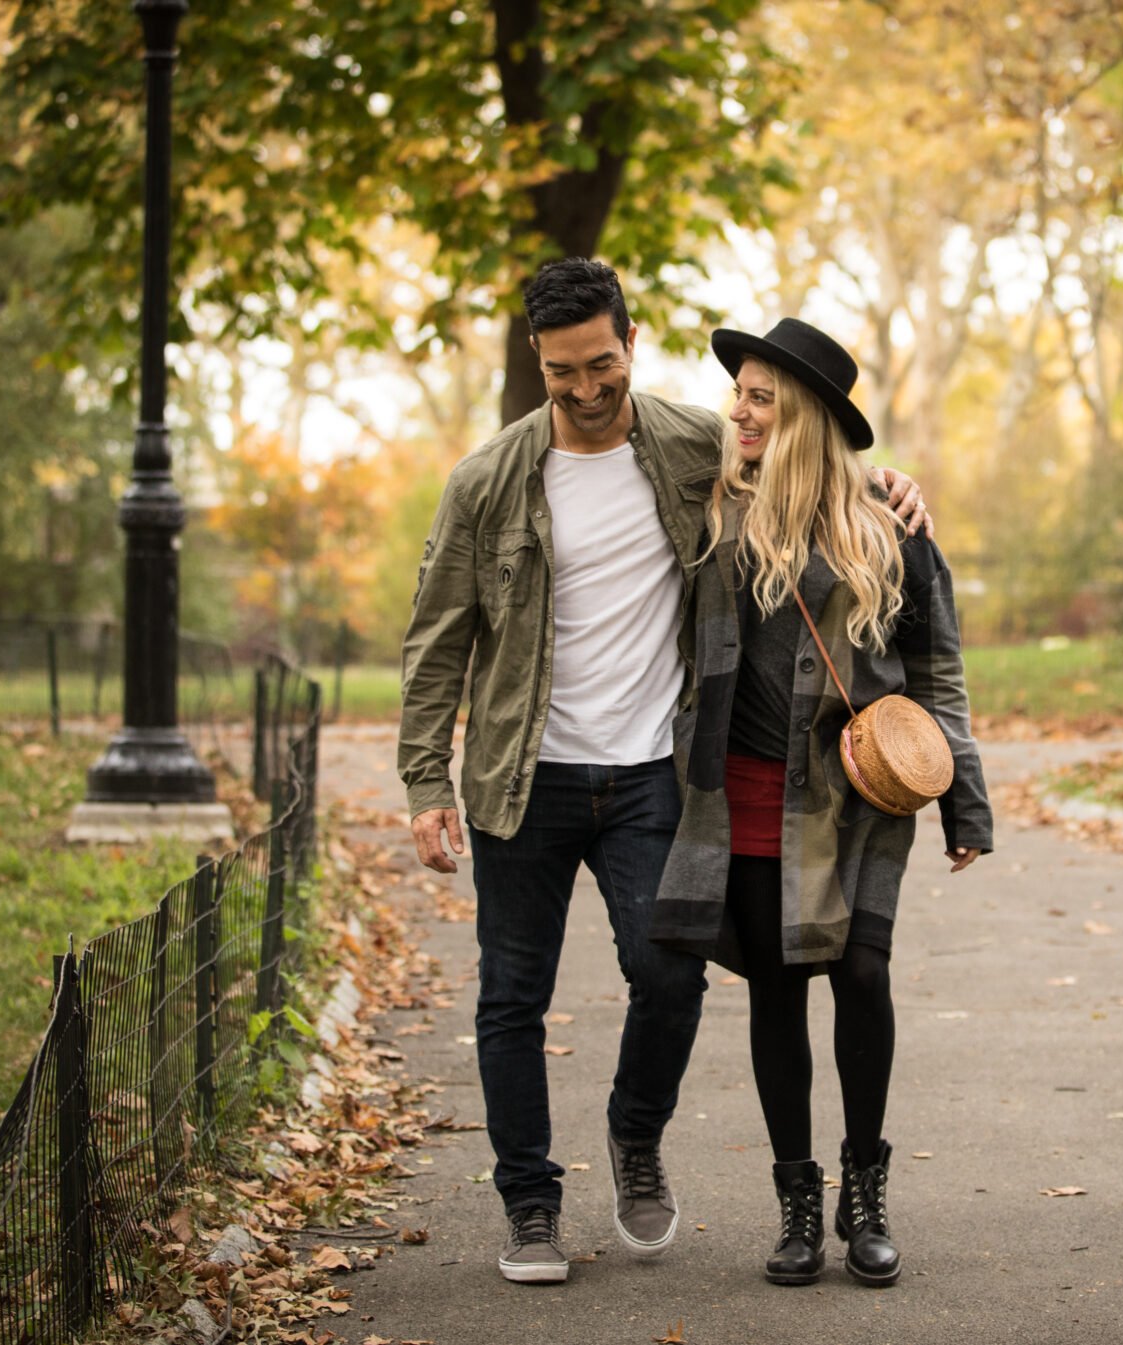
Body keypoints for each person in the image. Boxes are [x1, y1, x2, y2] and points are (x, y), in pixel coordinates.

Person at [397, 260, 927, 1286]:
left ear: (629, 346)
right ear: (536, 364)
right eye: (562, 375)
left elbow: (801, 470)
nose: (587, 390)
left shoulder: (690, 442)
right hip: (523, 777)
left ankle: (634, 1140)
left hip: (651, 772)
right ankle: (531, 1203)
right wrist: (425, 783)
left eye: (602, 364)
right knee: (513, 994)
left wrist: (885, 482)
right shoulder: (486, 483)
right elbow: (435, 642)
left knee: (669, 974)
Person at [650, 318, 992, 1288]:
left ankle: (865, 1193)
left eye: (760, 396)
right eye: (738, 393)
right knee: (775, 988)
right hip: (753, 792)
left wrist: (965, 801)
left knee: (863, 978)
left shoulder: (892, 527)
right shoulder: (717, 509)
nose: (739, 410)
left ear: (800, 412)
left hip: (862, 795)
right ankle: (798, 1203)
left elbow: (939, 673)